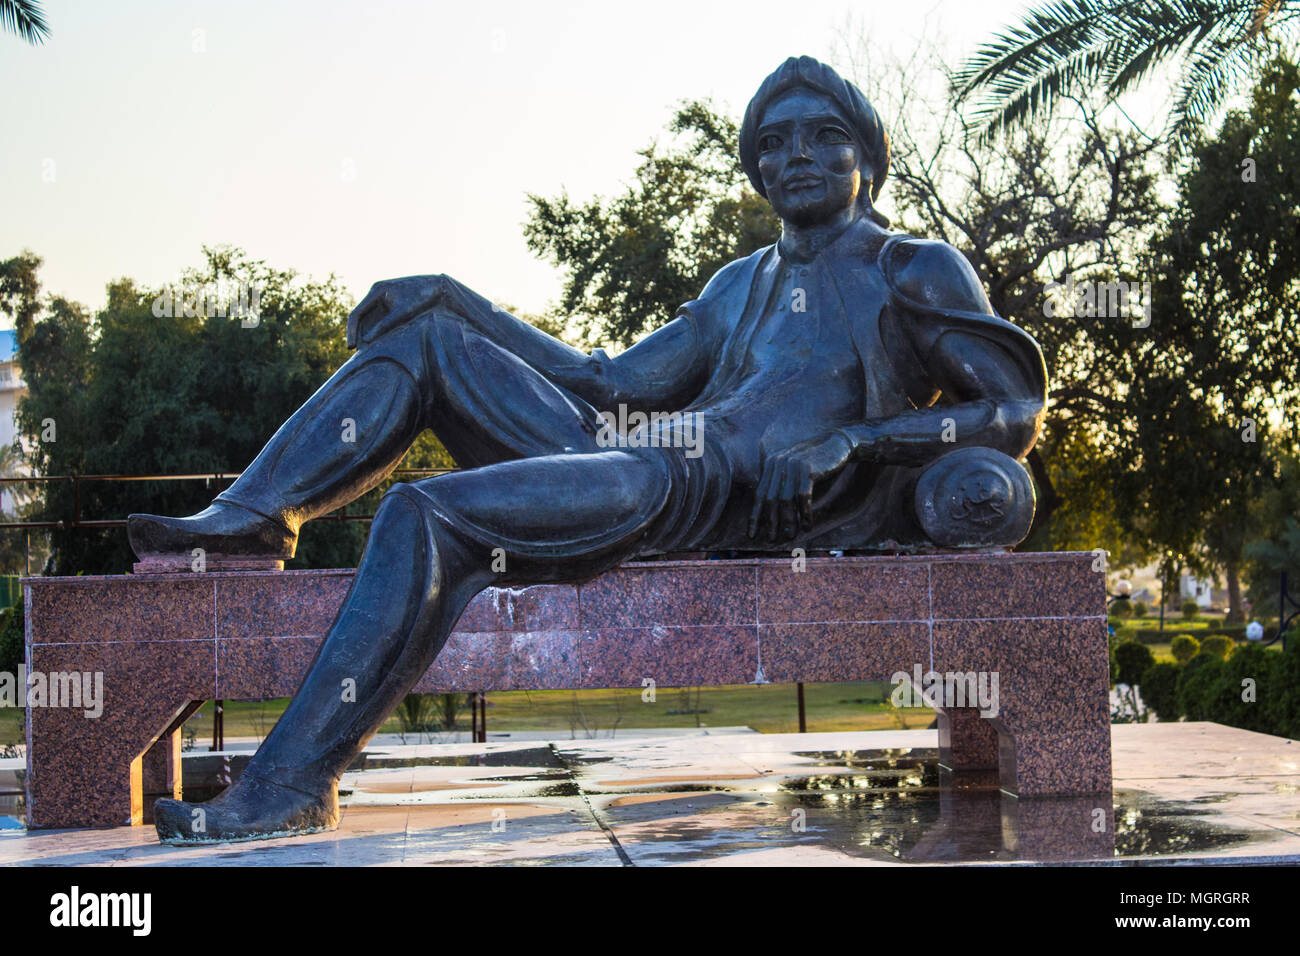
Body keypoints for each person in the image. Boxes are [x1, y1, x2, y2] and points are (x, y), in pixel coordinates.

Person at [134, 55, 1047, 842]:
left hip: (709, 491)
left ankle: (289, 788)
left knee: (426, 512)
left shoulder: (909, 266)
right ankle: (252, 520)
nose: (793, 155)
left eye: (819, 135)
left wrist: (854, 441)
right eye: (772, 142)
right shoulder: (740, 282)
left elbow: (1011, 407)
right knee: (422, 339)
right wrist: (457, 299)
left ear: (868, 155)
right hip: (641, 458)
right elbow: (614, 386)